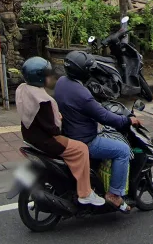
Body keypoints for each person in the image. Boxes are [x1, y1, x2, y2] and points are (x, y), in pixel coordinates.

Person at [55, 50, 140, 211]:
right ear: (83, 71)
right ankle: (114, 194)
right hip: (86, 140)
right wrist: (127, 120)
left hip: (68, 133)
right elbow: (105, 117)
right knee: (122, 150)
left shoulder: (61, 82)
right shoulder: (83, 95)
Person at [15, 57, 106, 207]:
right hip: (46, 140)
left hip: (31, 136)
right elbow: (54, 129)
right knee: (81, 149)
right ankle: (85, 193)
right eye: (47, 74)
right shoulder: (43, 101)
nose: (51, 77)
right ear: (40, 77)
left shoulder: (23, 89)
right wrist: (59, 117)